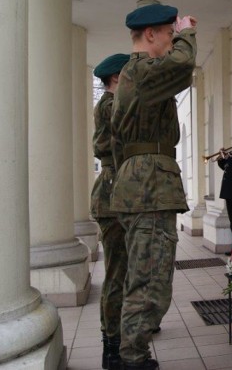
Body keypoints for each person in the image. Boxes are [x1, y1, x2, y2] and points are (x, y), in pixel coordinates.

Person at [110, 3, 197, 370]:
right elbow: (182, 66)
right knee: (149, 285)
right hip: (149, 188)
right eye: (167, 34)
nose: (171, 40)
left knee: (141, 279)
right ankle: (133, 360)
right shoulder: (142, 71)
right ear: (151, 35)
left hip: (139, 184)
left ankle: (131, 354)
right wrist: (188, 33)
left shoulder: (136, 76)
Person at [90, 53, 130, 370]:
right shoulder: (110, 104)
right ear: (116, 77)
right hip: (113, 195)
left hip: (116, 192)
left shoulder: (110, 103)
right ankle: (111, 347)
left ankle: (119, 337)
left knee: (123, 271)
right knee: (116, 274)